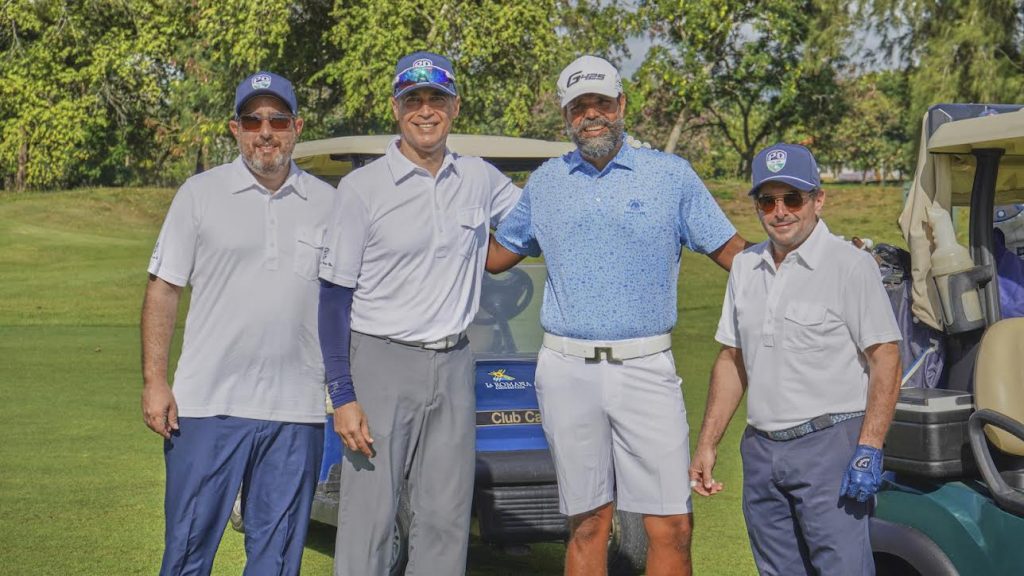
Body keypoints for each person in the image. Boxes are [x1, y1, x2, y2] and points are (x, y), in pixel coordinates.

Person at [486, 55, 747, 576]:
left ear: (622, 105)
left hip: (646, 367)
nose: (592, 115)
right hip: (566, 369)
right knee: (588, 522)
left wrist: (803, 265)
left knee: (670, 524)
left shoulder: (670, 176)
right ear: (566, 117)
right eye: (579, 107)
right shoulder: (545, 183)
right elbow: (496, 257)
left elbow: (732, 252)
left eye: (602, 103)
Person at [317, 51, 521, 575]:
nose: (425, 110)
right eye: (414, 99)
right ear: (396, 107)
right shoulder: (362, 189)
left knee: (445, 519)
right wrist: (342, 394)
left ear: (455, 106)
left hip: (454, 363)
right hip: (379, 362)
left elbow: (534, 222)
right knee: (369, 518)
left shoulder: (479, 178)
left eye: (436, 98)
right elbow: (334, 299)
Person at [140, 71, 334, 575]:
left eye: (277, 120)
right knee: (186, 554)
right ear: (234, 128)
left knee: (276, 560)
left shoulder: (330, 204)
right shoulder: (199, 194)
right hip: (207, 406)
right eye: (252, 120)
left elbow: (347, 301)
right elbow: (164, 289)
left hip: (297, 410)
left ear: (297, 126)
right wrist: (155, 382)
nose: (264, 131)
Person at [690, 143, 902, 575]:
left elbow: (885, 357)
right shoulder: (746, 268)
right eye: (768, 200)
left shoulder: (850, 265)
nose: (780, 211)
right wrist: (708, 443)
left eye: (793, 198)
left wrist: (869, 446)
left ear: (817, 200)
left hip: (830, 447)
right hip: (761, 451)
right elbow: (732, 359)